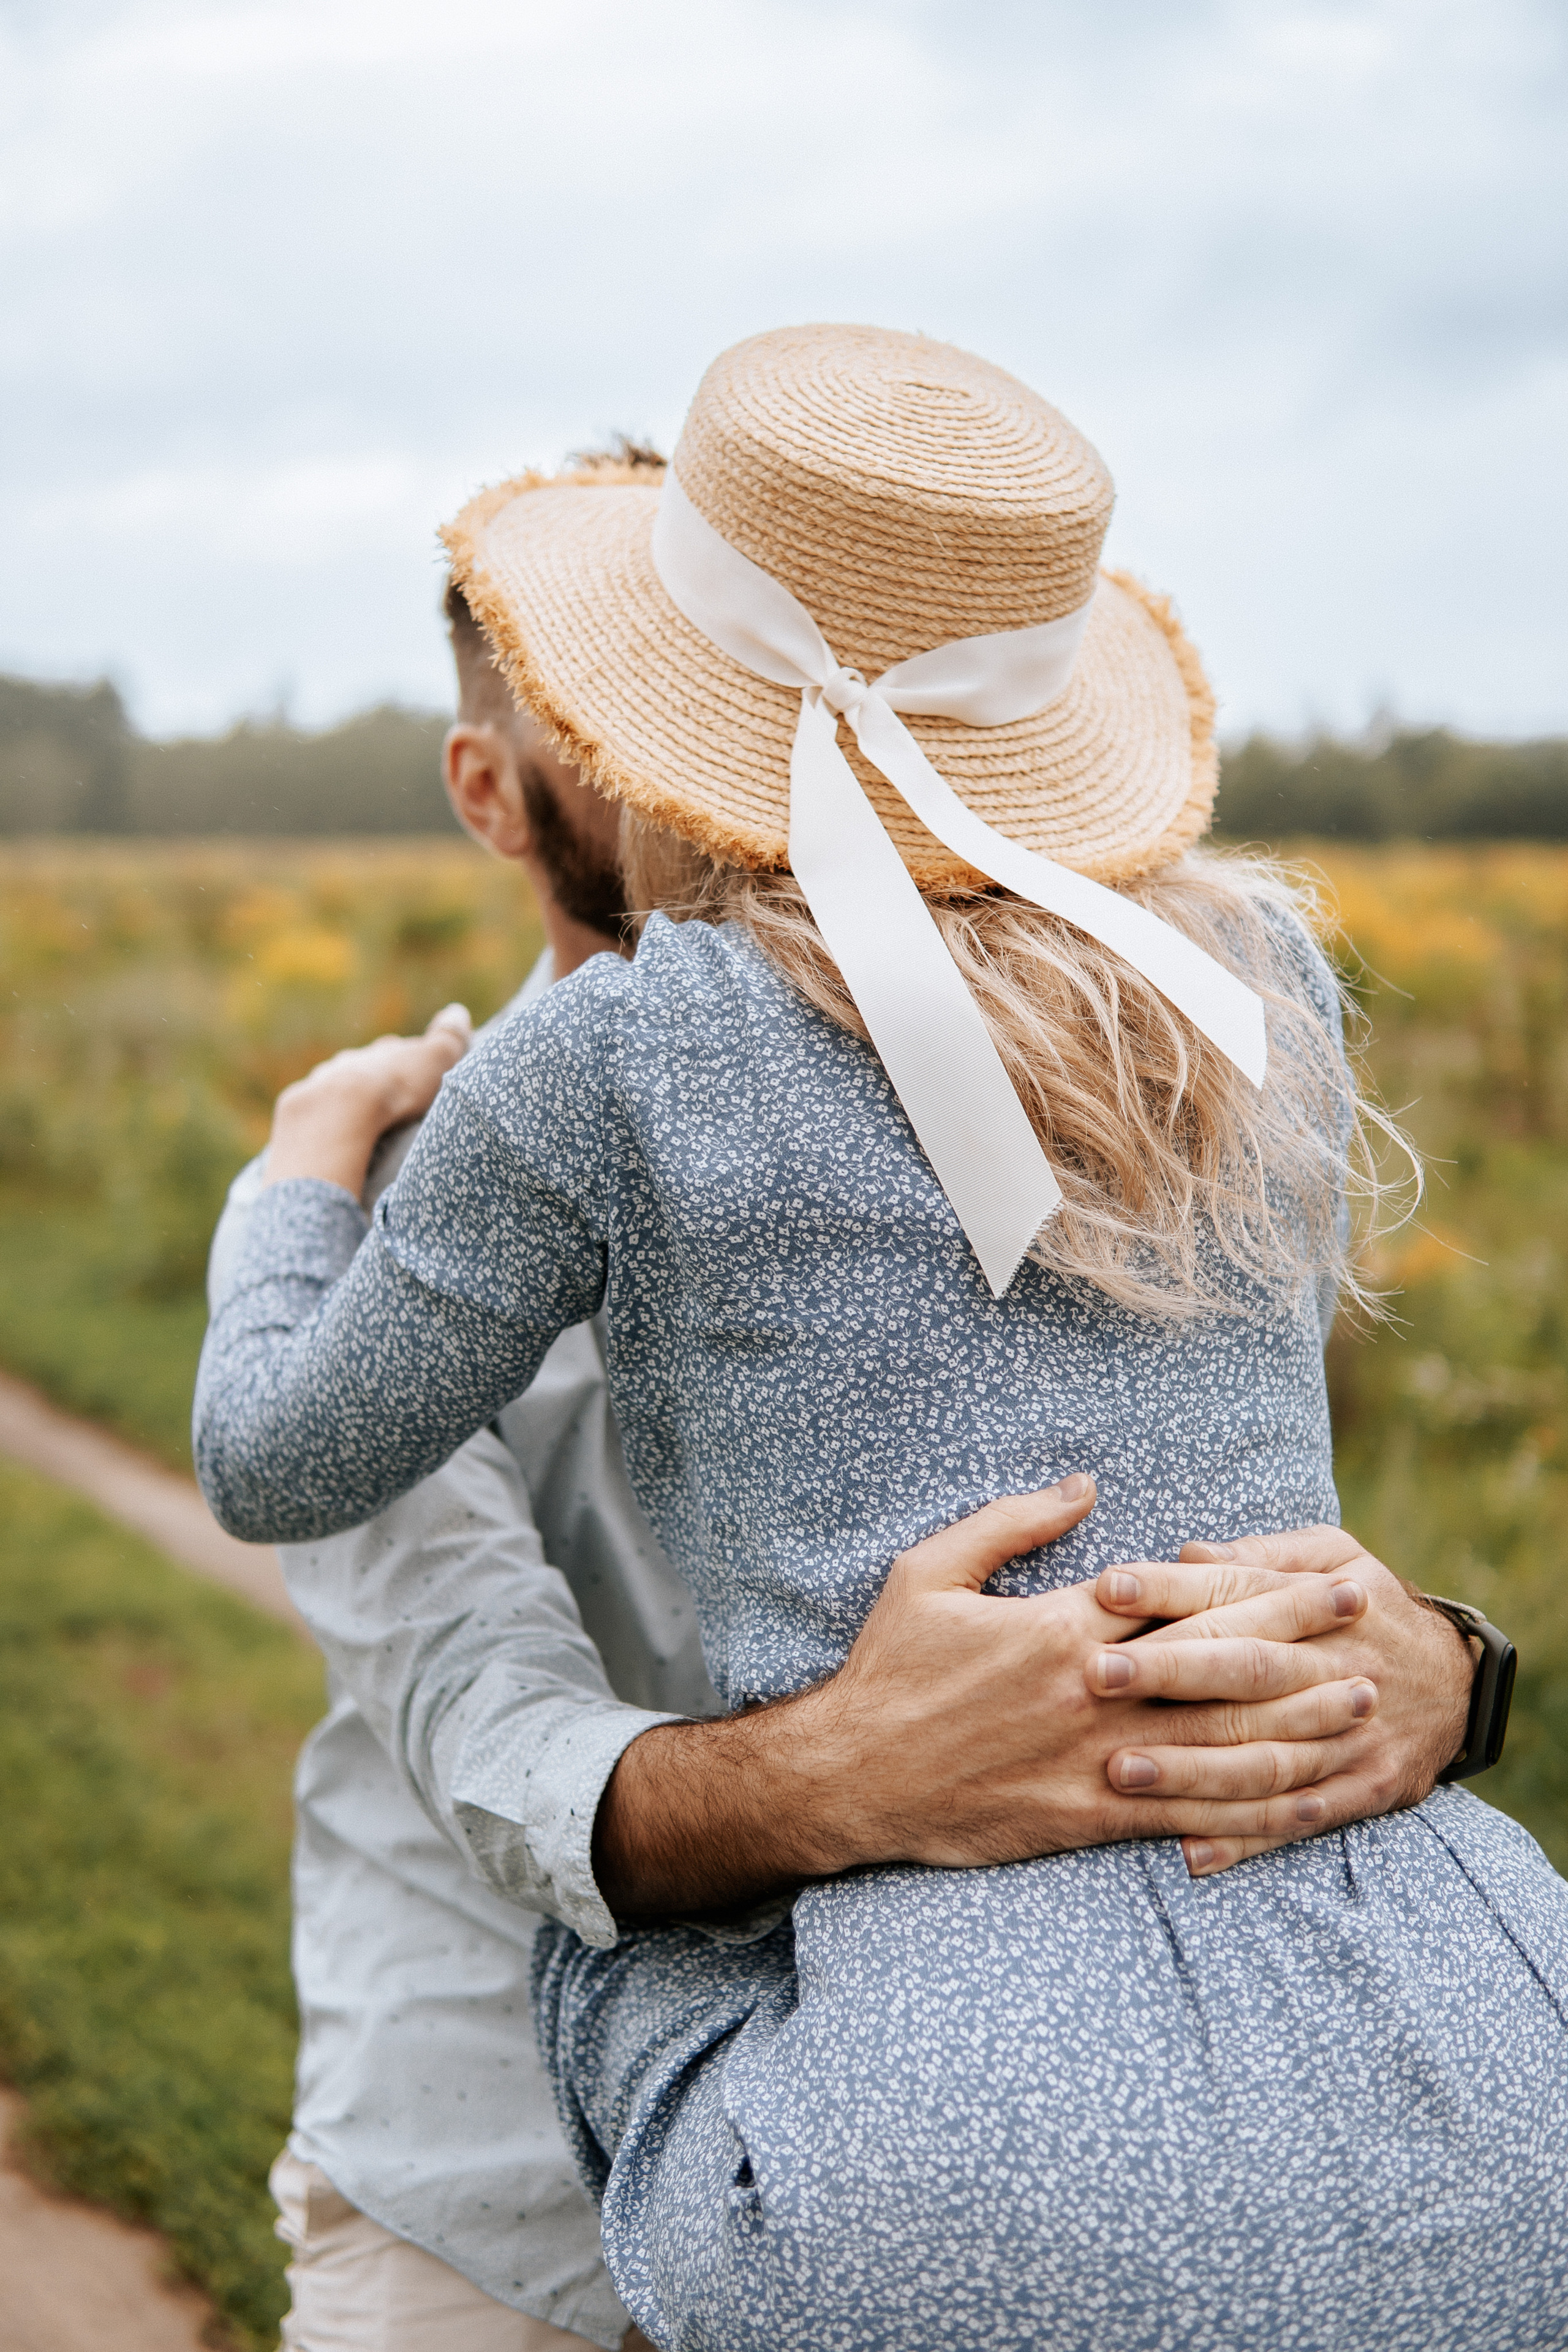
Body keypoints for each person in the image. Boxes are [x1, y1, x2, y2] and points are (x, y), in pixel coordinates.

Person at [193, 334, 1566, 2350]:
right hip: (1463, 2061)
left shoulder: (590, 1070)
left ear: (664, 724)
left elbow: (271, 1461)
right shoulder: (1249, 980)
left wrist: (1445, 1661)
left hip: (881, 2168)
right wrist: (836, 1771)